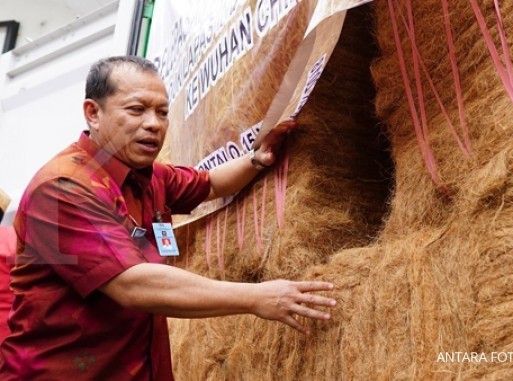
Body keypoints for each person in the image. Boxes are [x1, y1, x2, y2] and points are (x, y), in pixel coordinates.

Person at [0, 56, 336, 380]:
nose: (153, 124)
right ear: (93, 113)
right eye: (137, 110)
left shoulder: (149, 176)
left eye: (162, 113)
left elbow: (211, 183)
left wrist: (257, 159)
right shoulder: (62, 188)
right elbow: (132, 284)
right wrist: (257, 297)